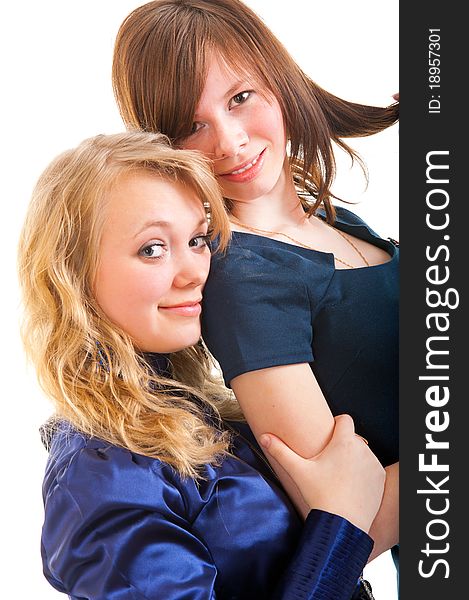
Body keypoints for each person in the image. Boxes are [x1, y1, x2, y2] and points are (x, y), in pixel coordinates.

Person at [19, 131, 385, 599]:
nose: (196, 271)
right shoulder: (97, 471)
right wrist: (341, 526)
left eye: (196, 239)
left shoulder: (197, 409)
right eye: (152, 248)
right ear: (72, 275)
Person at [111, 0, 399, 564]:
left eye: (240, 98)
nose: (230, 142)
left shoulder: (333, 221)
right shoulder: (245, 278)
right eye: (192, 126)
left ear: (279, 81)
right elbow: (350, 527)